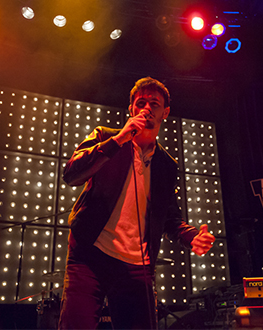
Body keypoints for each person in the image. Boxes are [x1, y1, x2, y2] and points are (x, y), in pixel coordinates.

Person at [58, 77, 215, 329]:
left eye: (154, 103)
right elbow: (72, 174)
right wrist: (119, 140)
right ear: (131, 109)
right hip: (90, 256)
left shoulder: (166, 164)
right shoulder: (105, 137)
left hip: (137, 267)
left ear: (165, 112)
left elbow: (169, 217)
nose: (146, 108)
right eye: (140, 102)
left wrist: (191, 237)